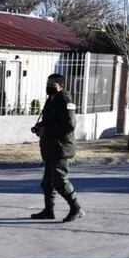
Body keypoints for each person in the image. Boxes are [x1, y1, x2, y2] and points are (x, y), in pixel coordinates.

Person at [30, 74, 85, 222]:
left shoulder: (65, 100)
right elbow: (50, 121)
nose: (49, 86)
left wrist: (47, 131)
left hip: (62, 148)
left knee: (60, 181)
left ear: (60, 85)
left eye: (52, 83)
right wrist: (40, 127)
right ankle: (48, 211)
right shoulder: (51, 100)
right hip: (50, 148)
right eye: (48, 83)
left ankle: (76, 208)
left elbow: (69, 125)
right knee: (47, 183)